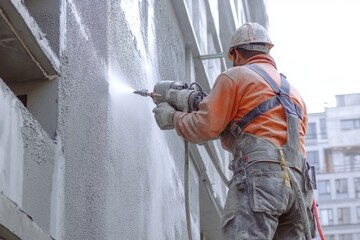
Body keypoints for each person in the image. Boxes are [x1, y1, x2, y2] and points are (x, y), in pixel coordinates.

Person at [152, 22, 316, 239]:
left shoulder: (236, 76)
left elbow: (205, 126)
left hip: (261, 180)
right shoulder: (295, 95)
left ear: (236, 53)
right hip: (299, 192)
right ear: (267, 51)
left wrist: (173, 117)